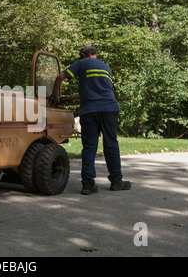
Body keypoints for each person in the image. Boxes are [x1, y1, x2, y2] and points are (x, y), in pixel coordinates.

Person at [49, 44, 131, 195]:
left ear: (83, 54)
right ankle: (116, 181)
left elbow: (60, 77)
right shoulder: (106, 67)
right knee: (111, 144)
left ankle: (87, 184)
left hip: (90, 111)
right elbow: (98, 90)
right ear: (96, 55)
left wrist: (55, 97)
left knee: (89, 147)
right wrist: (73, 98)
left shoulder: (82, 63)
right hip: (109, 109)